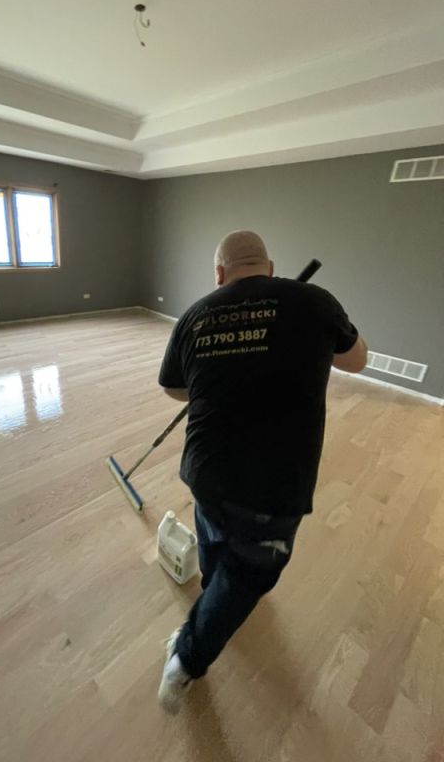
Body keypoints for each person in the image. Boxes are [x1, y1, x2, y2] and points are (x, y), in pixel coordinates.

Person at [156, 230, 367, 714]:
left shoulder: (196, 313)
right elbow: (358, 361)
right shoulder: (315, 302)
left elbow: (173, 389)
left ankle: (213, 595)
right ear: (269, 267)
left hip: (204, 470)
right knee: (249, 575)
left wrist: (220, 372)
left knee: (213, 535)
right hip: (273, 491)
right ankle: (186, 660)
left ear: (219, 273)